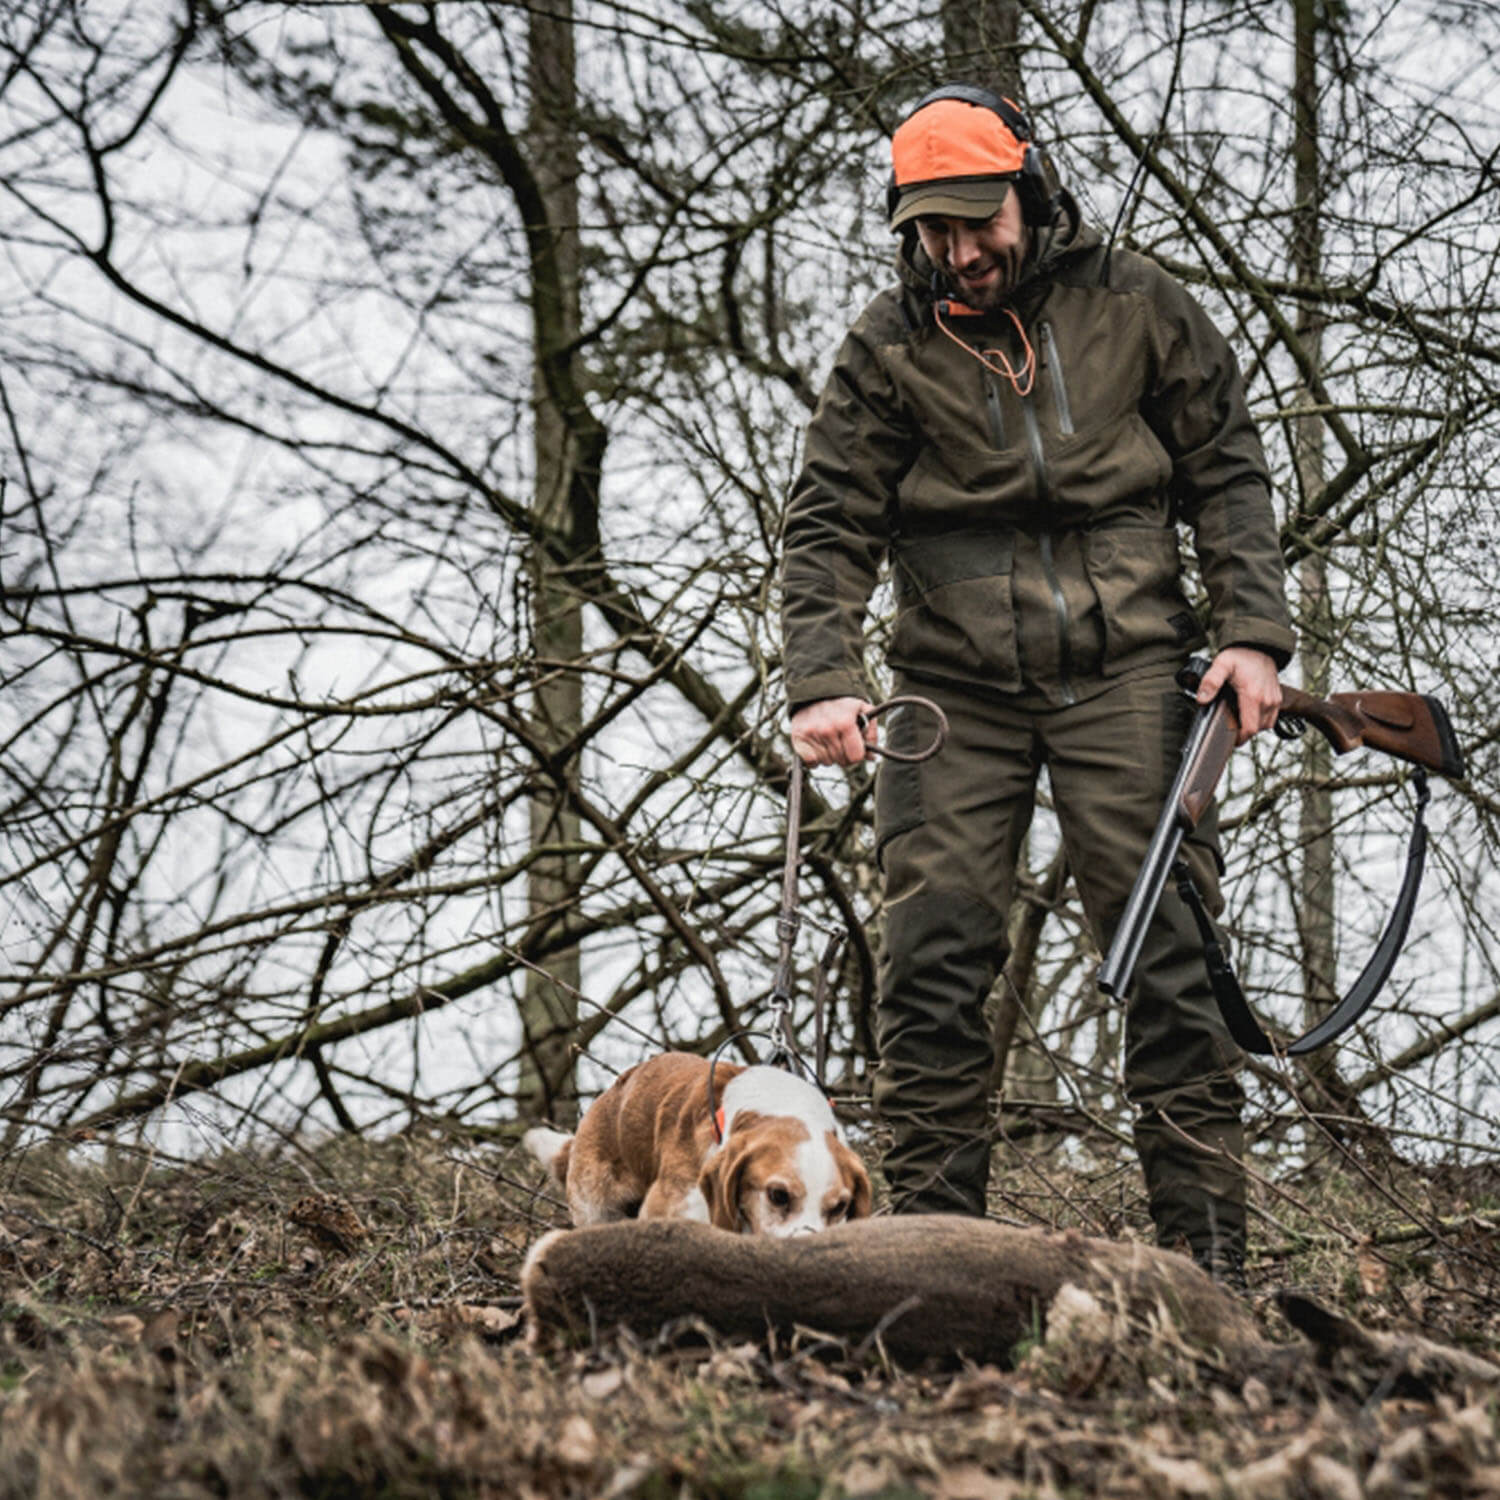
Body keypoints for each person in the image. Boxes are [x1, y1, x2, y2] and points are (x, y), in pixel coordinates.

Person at [779, 85, 1295, 1282]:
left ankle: (1207, 1269)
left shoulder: (1140, 304)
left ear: (1031, 191)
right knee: (937, 964)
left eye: (979, 222)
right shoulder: (886, 347)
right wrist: (822, 676)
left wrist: (1255, 635)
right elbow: (827, 526)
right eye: (934, 231)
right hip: (953, 688)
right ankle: (928, 1271)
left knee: (1172, 956)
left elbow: (1226, 466)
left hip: (1128, 672)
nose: (961, 252)